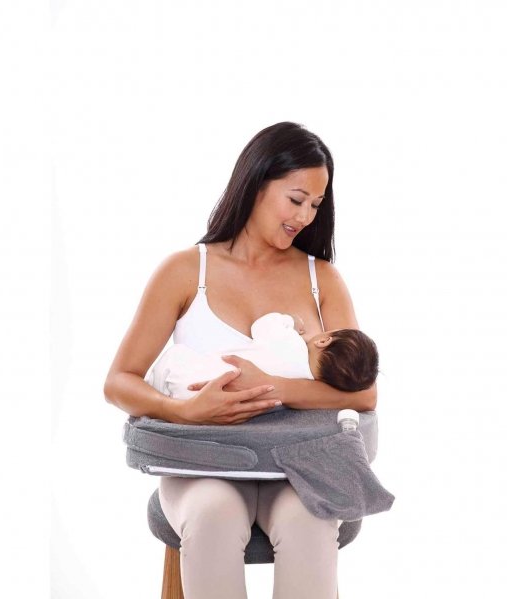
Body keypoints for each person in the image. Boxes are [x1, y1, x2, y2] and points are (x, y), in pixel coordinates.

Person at [104, 121, 377, 599]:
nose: (306, 216)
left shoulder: (323, 280)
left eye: (316, 204)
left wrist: (271, 386)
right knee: (212, 515)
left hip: (296, 465)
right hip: (203, 465)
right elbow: (119, 381)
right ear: (255, 183)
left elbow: (364, 393)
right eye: (296, 199)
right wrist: (183, 411)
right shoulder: (186, 271)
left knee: (310, 520)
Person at [147, 310, 379, 402]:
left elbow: (262, 325)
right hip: (208, 403)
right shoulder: (306, 384)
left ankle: (153, 388)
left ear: (323, 341)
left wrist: (290, 321)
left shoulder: (290, 342)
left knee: (176, 355)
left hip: (190, 379)